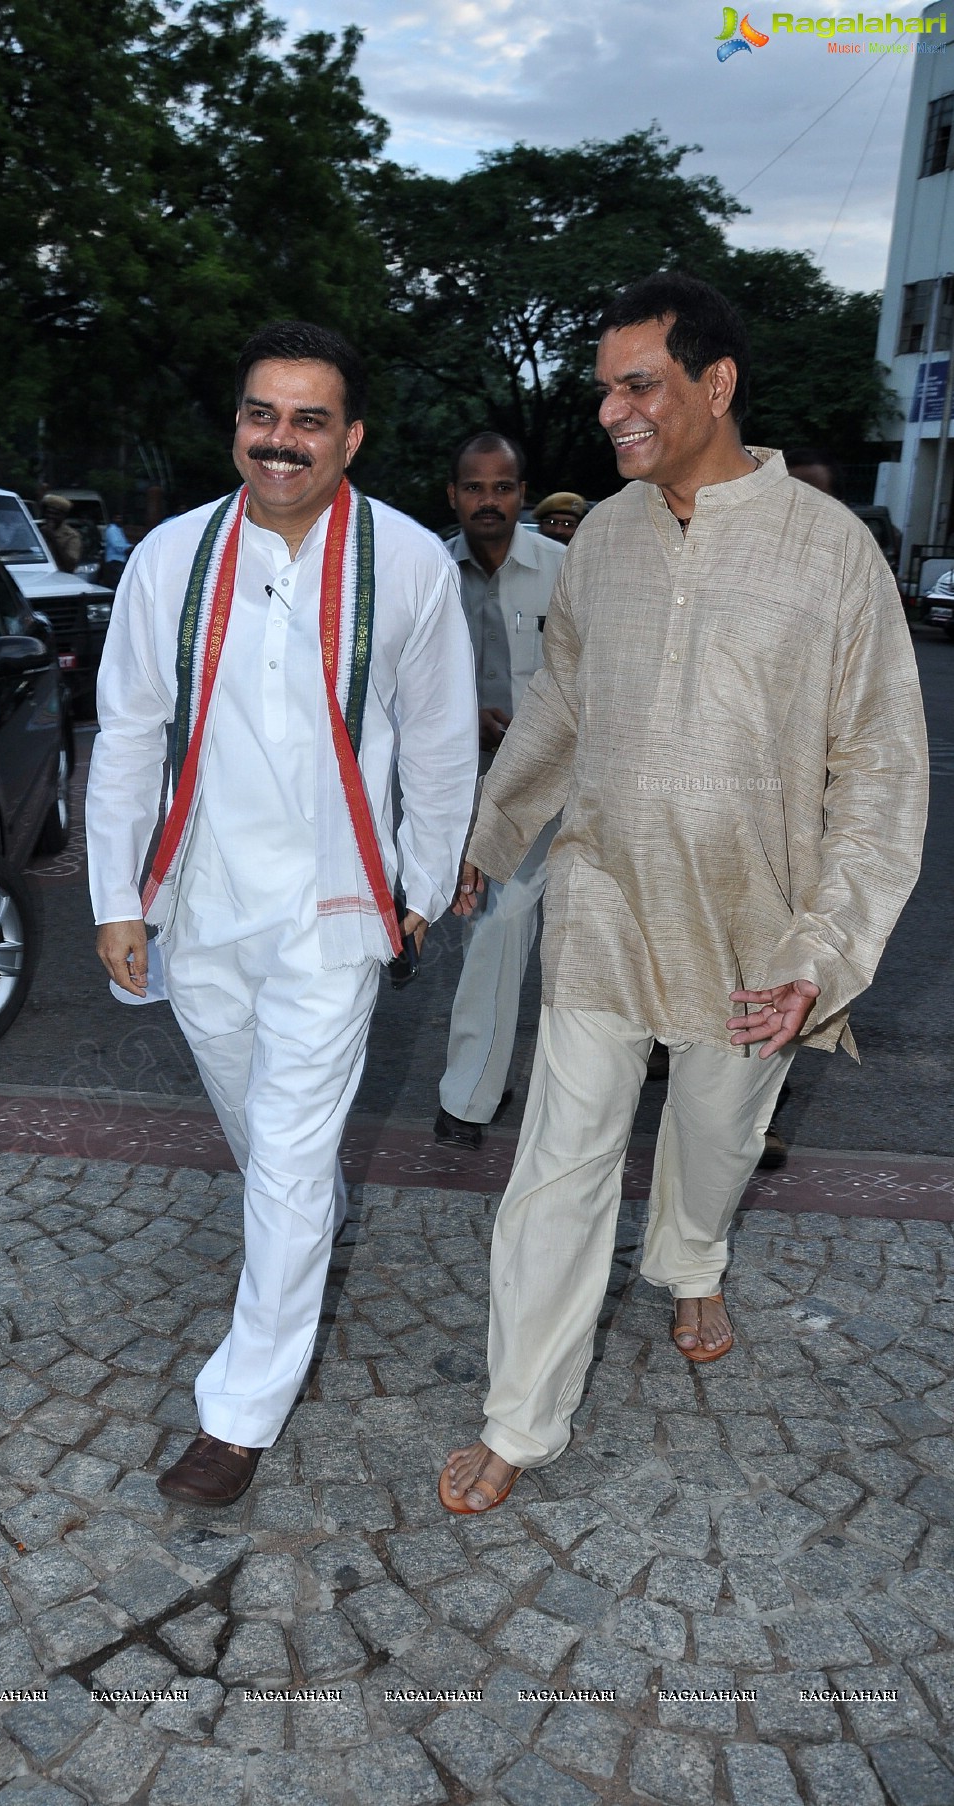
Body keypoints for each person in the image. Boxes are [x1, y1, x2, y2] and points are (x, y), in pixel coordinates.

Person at [440, 272, 928, 1514]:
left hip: (754, 928)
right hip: (603, 903)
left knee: (712, 1142)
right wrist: (489, 835)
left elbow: (877, 765)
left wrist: (826, 948)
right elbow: (559, 701)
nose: (609, 412)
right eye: (603, 387)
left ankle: (692, 1258)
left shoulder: (830, 553)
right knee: (557, 1163)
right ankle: (518, 1416)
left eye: (636, 383)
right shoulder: (599, 539)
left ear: (713, 384)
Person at [86, 320, 478, 1506]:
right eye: (263, 414)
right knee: (263, 1133)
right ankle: (303, 1222)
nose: (281, 440)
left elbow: (443, 741)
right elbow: (128, 734)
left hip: (332, 906)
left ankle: (239, 1412)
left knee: (294, 1143)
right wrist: (115, 898)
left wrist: (417, 883)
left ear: (349, 437)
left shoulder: (406, 562)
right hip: (197, 899)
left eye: (309, 420)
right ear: (237, 425)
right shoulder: (167, 557)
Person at [435, 433, 565, 1149]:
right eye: (475, 487)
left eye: (504, 486)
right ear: (453, 496)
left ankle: (466, 1098)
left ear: (523, 494)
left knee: (499, 922)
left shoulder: (565, 571)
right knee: (464, 925)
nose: (490, 500)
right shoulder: (423, 570)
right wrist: (461, 720)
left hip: (541, 789)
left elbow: (593, 680)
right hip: (446, 785)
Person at [39, 494, 83, 574]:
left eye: (55, 514)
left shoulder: (72, 536)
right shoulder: (40, 531)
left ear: (64, 516)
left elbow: (70, 565)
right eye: (48, 513)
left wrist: (53, 539)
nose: (50, 516)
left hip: (60, 578)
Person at [101, 511, 132, 589]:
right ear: (113, 519)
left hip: (120, 561)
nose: (119, 520)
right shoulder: (112, 529)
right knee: (117, 584)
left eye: (120, 518)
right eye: (117, 518)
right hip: (114, 561)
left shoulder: (119, 529)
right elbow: (118, 546)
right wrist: (131, 548)